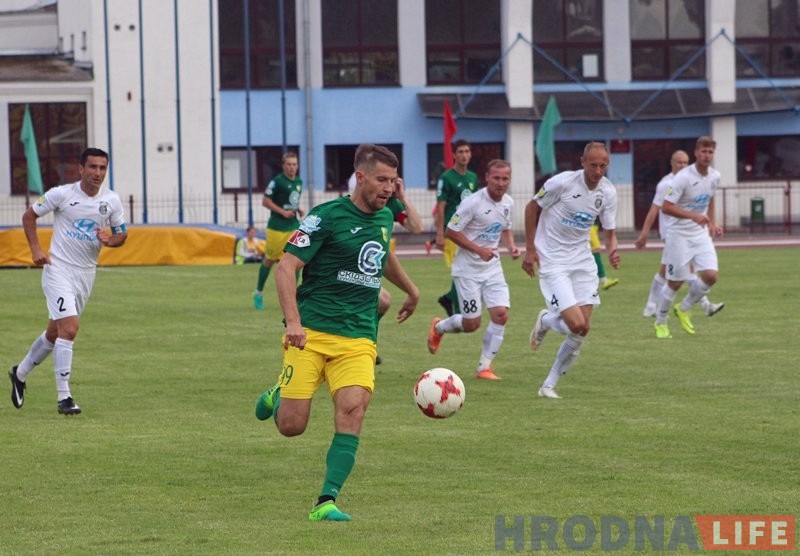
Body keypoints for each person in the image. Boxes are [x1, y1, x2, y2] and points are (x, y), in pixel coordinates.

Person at [254, 144, 419, 522]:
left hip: (358, 337)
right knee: (292, 427)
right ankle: (278, 393)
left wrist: (411, 289)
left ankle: (325, 501)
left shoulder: (384, 215)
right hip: (310, 333)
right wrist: (293, 323)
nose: (389, 188)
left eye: (393, 181)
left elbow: (380, 253)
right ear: (360, 177)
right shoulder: (325, 216)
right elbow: (286, 268)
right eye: (382, 180)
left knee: (353, 410)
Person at [9, 147, 127, 415]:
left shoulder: (112, 201)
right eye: (93, 167)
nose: (98, 173)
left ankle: (20, 372)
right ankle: (65, 397)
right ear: (80, 169)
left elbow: (122, 235)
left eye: (102, 168)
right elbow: (29, 216)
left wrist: (111, 240)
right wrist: (36, 249)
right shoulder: (61, 194)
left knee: (55, 333)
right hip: (58, 269)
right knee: (70, 329)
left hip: (86, 274)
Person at [522, 141, 620, 399]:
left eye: (603, 166)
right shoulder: (562, 183)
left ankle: (548, 385)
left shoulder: (608, 192)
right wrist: (530, 249)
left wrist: (613, 249)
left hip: (582, 261)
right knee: (575, 323)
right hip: (553, 260)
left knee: (583, 328)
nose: (598, 171)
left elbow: (610, 232)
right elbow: (532, 208)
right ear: (582, 162)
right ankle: (546, 320)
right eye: (594, 165)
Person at [427, 159, 520, 380]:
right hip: (467, 269)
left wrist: (512, 246)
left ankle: (484, 368)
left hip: (492, 267)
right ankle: (439, 327)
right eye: (496, 178)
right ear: (486, 177)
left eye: (505, 178)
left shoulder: (508, 202)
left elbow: (504, 229)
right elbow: (451, 230)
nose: (500, 182)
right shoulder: (473, 202)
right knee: (471, 324)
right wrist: (478, 249)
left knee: (501, 314)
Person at [635, 149, 723, 318]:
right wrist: (644, 233)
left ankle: (651, 307)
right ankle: (702, 306)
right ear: (672, 163)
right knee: (686, 272)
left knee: (666, 272)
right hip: (673, 233)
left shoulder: (692, 179)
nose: (682, 165)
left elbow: (708, 200)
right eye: (679, 162)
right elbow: (655, 209)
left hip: (691, 232)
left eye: (685, 162)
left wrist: (711, 223)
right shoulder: (666, 184)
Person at [653, 136, 724, 339]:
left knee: (711, 276)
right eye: (704, 151)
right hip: (678, 235)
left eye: (710, 152)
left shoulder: (715, 176)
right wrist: (693, 216)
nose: (707, 155)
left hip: (699, 234)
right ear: (696, 152)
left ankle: (683, 308)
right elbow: (666, 207)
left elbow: (710, 200)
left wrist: (712, 223)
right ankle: (660, 322)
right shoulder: (683, 177)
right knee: (675, 283)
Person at [433, 139, 479, 316]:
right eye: (460, 151)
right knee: (460, 269)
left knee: (466, 267)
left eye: (467, 151)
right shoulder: (446, 178)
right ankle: (458, 307)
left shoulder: (473, 178)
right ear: (454, 154)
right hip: (452, 232)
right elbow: (441, 206)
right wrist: (439, 234)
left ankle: (449, 299)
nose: (464, 155)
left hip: (469, 231)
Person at [253, 151, 303, 310]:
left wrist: (298, 209)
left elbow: (291, 202)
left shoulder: (299, 182)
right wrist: (282, 212)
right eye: (289, 164)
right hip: (277, 227)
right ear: (283, 166)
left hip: (293, 226)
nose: (292, 167)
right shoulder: (277, 182)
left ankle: (294, 296)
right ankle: (258, 292)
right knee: (270, 260)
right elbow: (265, 201)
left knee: (297, 260)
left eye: (294, 164)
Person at [590, 220, 619, 290]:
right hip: (588, 226)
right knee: (596, 248)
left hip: (593, 226)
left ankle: (599, 278)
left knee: (592, 249)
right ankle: (602, 278)